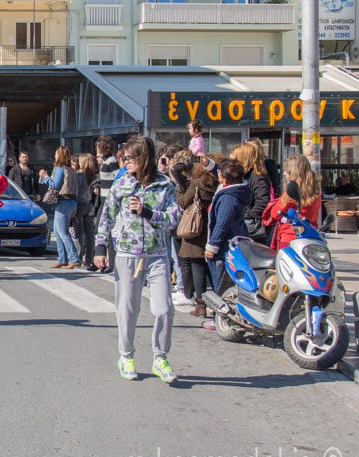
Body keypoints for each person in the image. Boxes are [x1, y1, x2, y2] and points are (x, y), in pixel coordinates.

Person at [94, 136, 181, 384]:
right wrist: (100, 247)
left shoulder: (164, 185)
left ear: (145, 158)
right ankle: (126, 356)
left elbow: (174, 219)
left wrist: (148, 212)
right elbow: (107, 215)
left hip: (157, 255)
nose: (127, 162)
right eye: (126, 158)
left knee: (164, 309)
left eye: (132, 158)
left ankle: (160, 357)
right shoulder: (122, 184)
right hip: (127, 254)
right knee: (127, 310)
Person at [203, 160, 252, 329]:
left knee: (221, 284)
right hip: (232, 243)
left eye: (219, 173)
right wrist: (209, 164)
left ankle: (222, 318)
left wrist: (212, 245)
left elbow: (222, 224)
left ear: (224, 178)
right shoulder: (236, 189)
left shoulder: (229, 197)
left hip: (224, 247)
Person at [176, 160, 218, 318]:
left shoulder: (196, 183)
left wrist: (178, 190)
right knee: (208, 267)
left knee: (197, 266)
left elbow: (183, 202)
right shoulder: (217, 183)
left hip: (195, 227)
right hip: (209, 226)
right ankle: (213, 301)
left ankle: (200, 304)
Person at [264, 154, 322, 250]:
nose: (284, 174)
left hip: (290, 237)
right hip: (311, 236)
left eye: (287, 171)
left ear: (293, 173)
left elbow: (275, 214)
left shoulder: (290, 193)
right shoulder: (316, 191)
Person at [43, 146, 80, 269]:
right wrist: (75, 205)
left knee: (63, 232)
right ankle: (62, 259)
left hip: (62, 201)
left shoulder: (59, 168)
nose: (55, 156)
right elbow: (76, 189)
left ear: (59, 155)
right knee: (58, 232)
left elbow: (55, 185)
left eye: (56, 154)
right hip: (71, 201)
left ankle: (74, 258)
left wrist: (46, 177)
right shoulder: (71, 170)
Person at [229, 142, 271, 243]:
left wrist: (246, 215)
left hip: (251, 230)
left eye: (235, 160)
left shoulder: (257, 177)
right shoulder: (245, 175)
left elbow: (263, 202)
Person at [95, 135, 120, 273]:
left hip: (108, 199)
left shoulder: (111, 161)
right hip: (104, 198)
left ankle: (111, 263)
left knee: (108, 231)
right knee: (102, 229)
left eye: (98, 147)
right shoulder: (106, 161)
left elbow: (118, 177)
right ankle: (106, 262)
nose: (97, 149)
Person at [74, 153, 99, 271]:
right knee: (89, 234)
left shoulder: (78, 176)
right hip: (90, 206)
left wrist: (74, 206)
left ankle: (78, 258)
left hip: (79, 205)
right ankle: (89, 259)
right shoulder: (95, 176)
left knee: (78, 233)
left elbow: (76, 193)